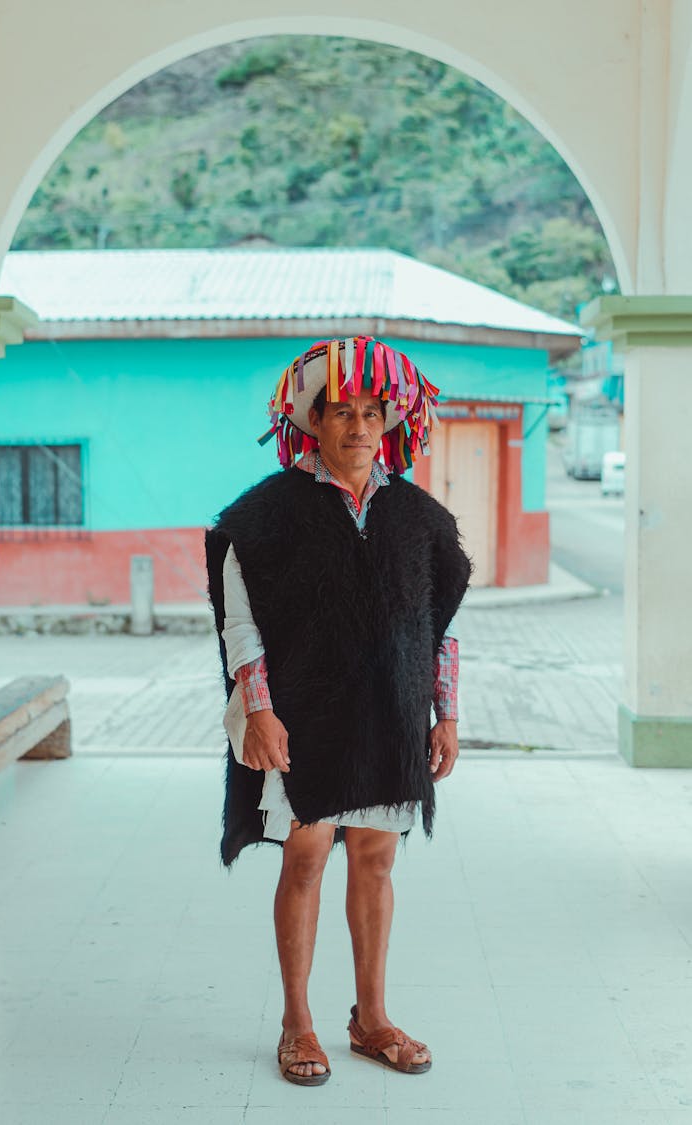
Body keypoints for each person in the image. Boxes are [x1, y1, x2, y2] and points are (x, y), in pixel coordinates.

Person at [206, 336, 471, 1087]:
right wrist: (259, 711)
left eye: (369, 411)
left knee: (378, 858)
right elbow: (242, 624)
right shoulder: (262, 517)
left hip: (389, 715)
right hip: (302, 716)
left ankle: (371, 1017)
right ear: (313, 420)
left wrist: (444, 714)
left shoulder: (420, 518)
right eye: (341, 411)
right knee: (308, 854)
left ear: (389, 420)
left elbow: (438, 625)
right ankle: (298, 1021)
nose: (358, 425)